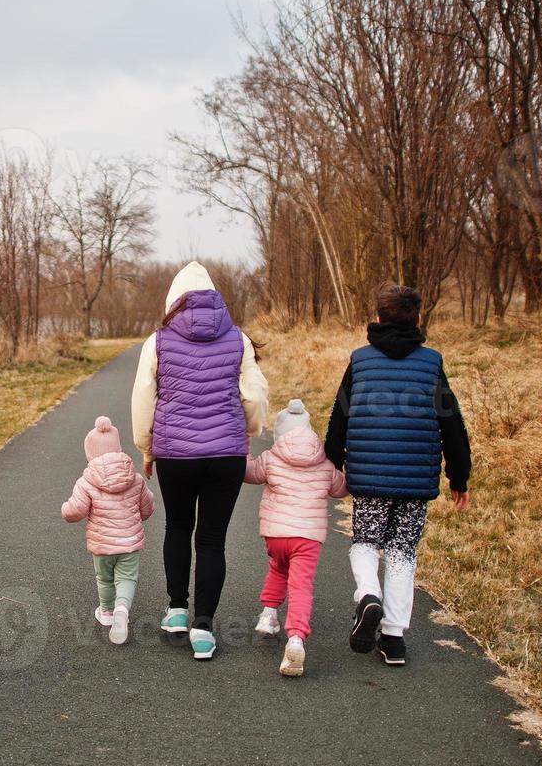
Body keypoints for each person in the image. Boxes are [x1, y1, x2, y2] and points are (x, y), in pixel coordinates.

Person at [323, 285, 472, 667]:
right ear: (418, 319)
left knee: (365, 541)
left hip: (369, 475)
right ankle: (393, 639)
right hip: (415, 479)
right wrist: (459, 476)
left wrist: (332, 461)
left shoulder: (359, 362)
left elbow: (340, 416)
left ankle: (368, 594)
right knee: (403, 551)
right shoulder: (431, 363)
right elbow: (451, 422)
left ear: (376, 318)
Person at [131, 261, 269, 660]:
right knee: (211, 540)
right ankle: (203, 628)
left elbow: (144, 400)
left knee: (177, 526)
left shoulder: (157, 342)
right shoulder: (239, 340)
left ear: (174, 301)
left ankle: (177, 609)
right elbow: (254, 397)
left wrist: (147, 448)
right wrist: (247, 434)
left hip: (175, 452)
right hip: (225, 454)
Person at [244, 399, 348, 677]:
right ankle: (296, 637)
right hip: (308, 537)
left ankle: (268, 616)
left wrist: (243, 446)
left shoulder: (270, 457)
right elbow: (341, 490)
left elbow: (249, 473)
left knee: (278, 569)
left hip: (276, 534)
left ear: (280, 435)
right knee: (300, 585)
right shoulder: (324, 463)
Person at [61, 416, 155, 645]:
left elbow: (75, 511)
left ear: (90, 454)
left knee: (104, 579)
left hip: (102, 545)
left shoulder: (87, 481)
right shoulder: (135, 478)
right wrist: (138, 517)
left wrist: (65, 510)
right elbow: (147, 507)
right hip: (129, 542)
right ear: (118, 448)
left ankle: (106, 612)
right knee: (127, 578)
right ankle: (122, 608)